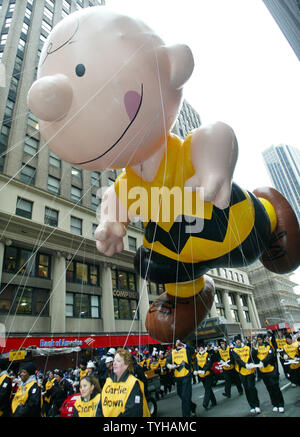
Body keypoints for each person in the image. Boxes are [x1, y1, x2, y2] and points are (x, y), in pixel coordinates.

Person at [96, 348, 150, 417]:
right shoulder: (108, 381)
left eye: (118, 361)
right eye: (114, 360)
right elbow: (100, 407)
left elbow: (133, 411)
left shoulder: (133, 383)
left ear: (126, 364)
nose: (114, 363)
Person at [252, 334, 285, 412]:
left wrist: (263, 362)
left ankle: (280, 404)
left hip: (271, 370)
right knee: (269, 388)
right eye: (258, 340)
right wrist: (254, 350)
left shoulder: (268, 346)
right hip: (263, 372)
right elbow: (254, 358)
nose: (259, 341)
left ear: (263, 339)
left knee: (275, 387)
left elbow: (270, 356)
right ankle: (275, 404)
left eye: (260, 339)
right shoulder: (257, 348)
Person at [166, 339, 197, 417]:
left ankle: (186, 415)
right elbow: (167, 362)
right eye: (177, 342)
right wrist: (170, 366)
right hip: (178, 377)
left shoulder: (186, 350)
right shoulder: (173, 352)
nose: (178, 343)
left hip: (186, 376)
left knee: (185, 397)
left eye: (179, 342)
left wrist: (184, 345)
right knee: (181, 395)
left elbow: (193, 351)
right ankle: (192, 406)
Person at [231, 336, 261, 414]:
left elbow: (251, 356)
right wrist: (245, 365)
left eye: (239, 341)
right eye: (236, 341)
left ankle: (257, 405)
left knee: (252, 387)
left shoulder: (247, 348)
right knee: (247, 388)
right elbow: (237, 359)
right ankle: (252, 406)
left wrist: (250, 363)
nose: (238, 342)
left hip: (250, 371)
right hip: (242, 372)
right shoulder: (234, 350)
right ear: (235, 342)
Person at [194, 346, 217, 411]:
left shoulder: (207, 354)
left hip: (208, 373)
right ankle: (214, 401)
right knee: (207, 388)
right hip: (201, 374)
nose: (201, 349)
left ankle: (205, 403)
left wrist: (204, 370)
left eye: (202, 348)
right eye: (200, 348)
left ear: (204, 348)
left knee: (207, 388)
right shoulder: (197, 355)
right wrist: (196, 370)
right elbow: (195, 364)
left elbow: (209, 363)